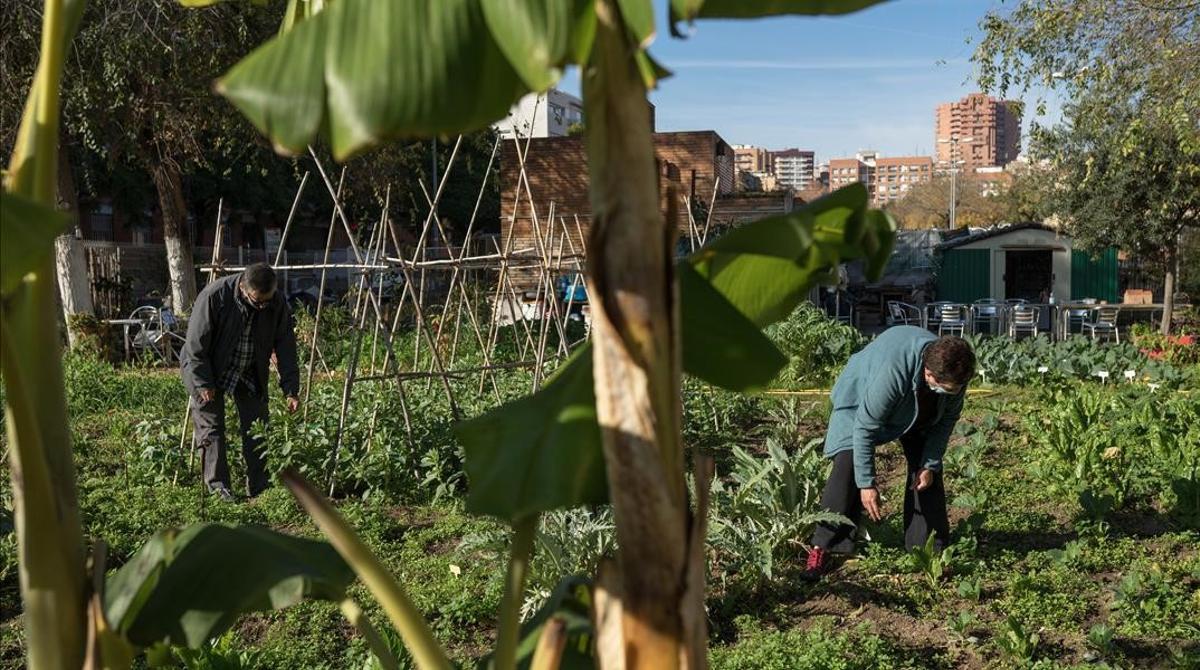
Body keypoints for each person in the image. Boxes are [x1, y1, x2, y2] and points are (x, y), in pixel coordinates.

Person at [802, 326, 976, 580]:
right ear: (929, 374)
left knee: (927, 475)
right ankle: (823, 546)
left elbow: (944, 425)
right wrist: (866, 484)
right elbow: (864, 428)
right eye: (948, 389)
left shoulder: (954, 374)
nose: (954, 394)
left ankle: (929, 550)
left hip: (917, 409)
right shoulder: (894, 372)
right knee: (847, 467)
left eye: (956, 389)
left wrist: (929, 463)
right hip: (860, 401)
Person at [180, 263, 300, 501]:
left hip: (249, 368)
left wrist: (291, 389)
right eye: (258, 302)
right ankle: (218, 489)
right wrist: (202, 383)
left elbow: (285, 345)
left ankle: (260, 487)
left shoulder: (275, 302)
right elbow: (195, 347)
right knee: (211, 427)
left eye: (267, 300)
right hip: (210, 368)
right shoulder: (214, 297)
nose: (263, 306)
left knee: (258, 426)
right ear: (243, 288)